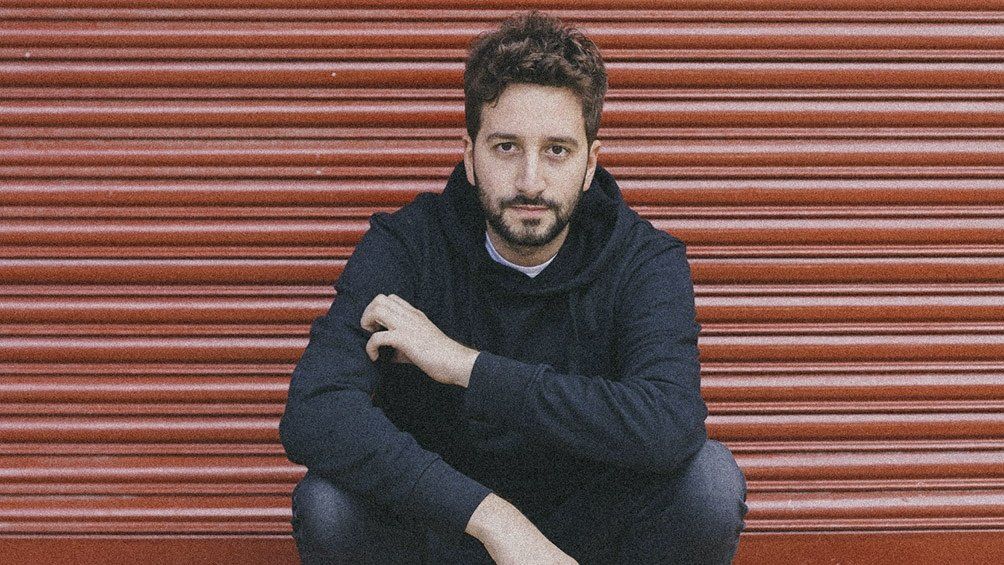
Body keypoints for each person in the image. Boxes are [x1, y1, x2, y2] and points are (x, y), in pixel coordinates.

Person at [279, 10, 748, 564]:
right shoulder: (409, 245)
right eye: (506, 147)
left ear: (590, 163)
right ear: (470, 156)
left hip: (586, 540)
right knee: (327, 504)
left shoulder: (642, 260)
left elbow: (670, 423)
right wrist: (494, 520)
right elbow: (316, 408)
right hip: (451, 526)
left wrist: (465, 367)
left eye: (557, 150)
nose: (530, 180)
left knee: (709, 483)